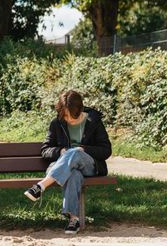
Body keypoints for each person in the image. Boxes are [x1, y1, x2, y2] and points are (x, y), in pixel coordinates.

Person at [24, 90, 112, 234]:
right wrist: (60, 151)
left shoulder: (93, 122)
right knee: (73, 174)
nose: (68, 119)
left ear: (80, 109)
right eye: (65, 115)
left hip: (89, 164)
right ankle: (74, 219)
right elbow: (45, 149)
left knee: (76, 152)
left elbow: (106, 150)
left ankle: (40, 186)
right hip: (62, 167)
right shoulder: (57, 123)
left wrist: (84, 149)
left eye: (71, 115)